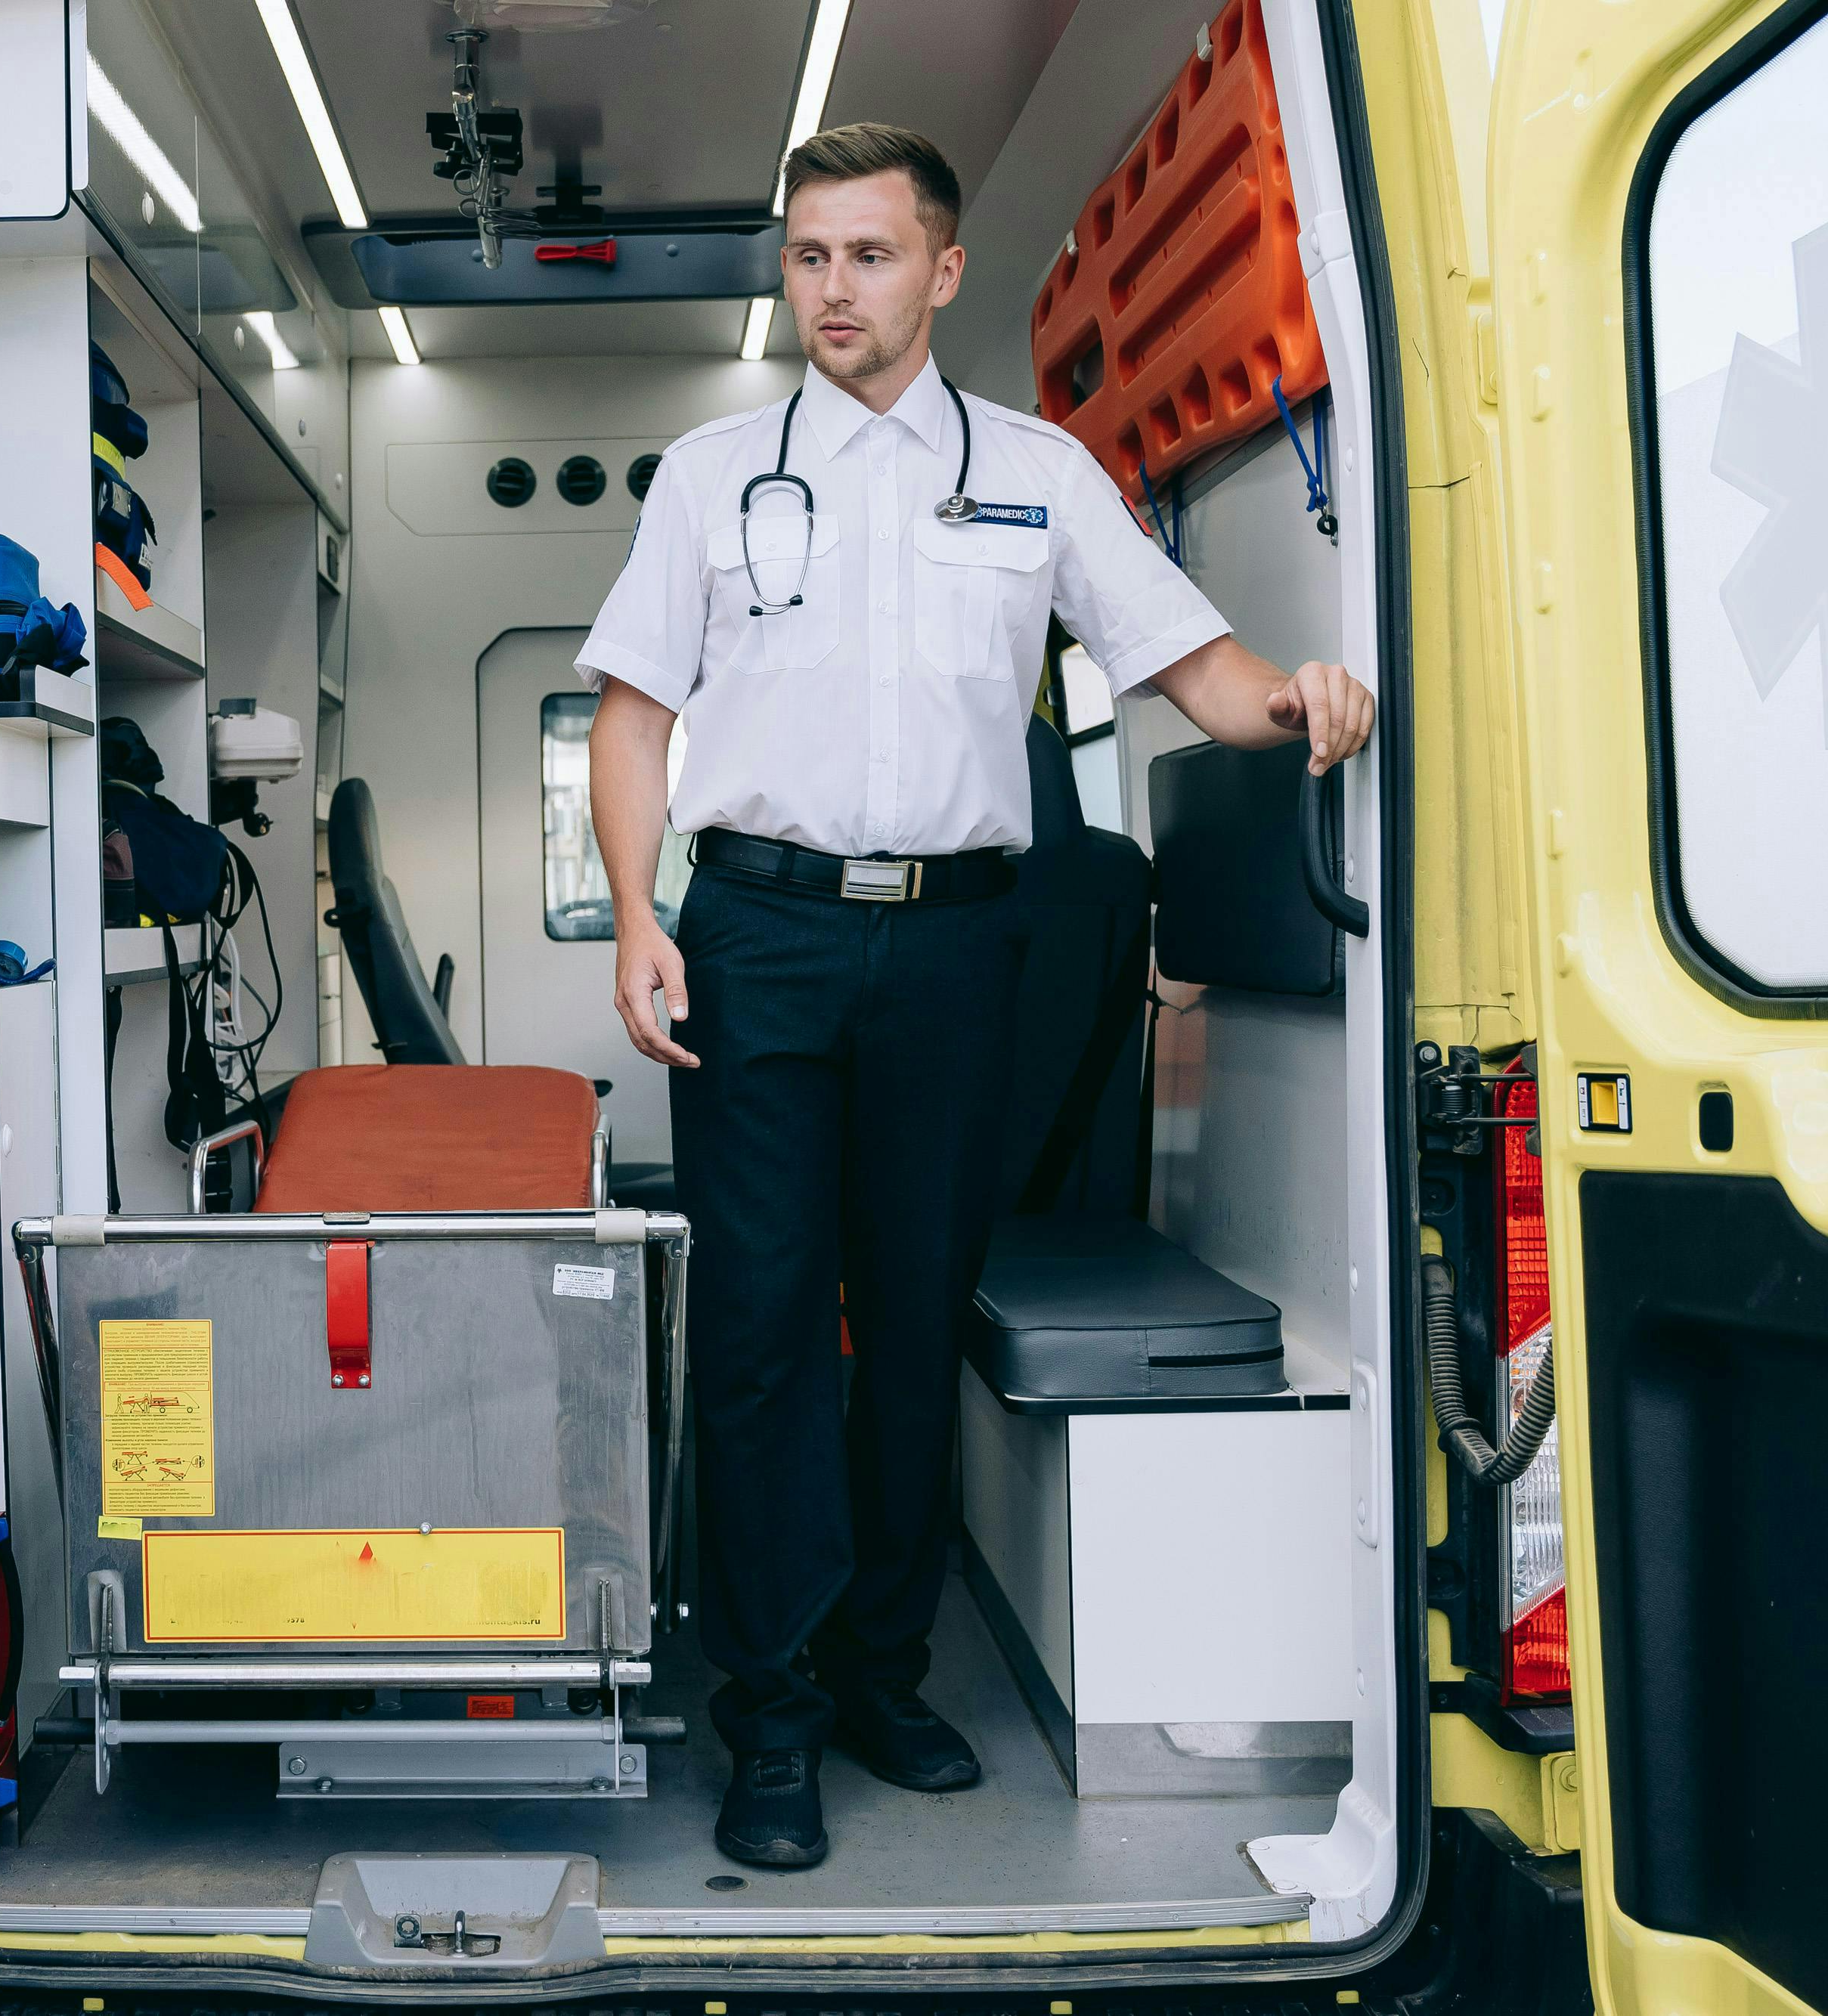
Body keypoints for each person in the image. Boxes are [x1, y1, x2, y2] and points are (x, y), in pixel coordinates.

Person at [578, 124, 1374, 1870]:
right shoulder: (712, 478)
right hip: (759, 936)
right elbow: (632, 716)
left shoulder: (1038, 473)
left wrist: (1301, 695)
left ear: (942, 271)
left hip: (953, 947)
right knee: (766, 1326)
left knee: (914, 1307)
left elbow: (1188, 661)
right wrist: (641, 914)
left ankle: (880, 1666)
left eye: (868, 255)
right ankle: (770, 1711)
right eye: (807, 256)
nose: (832, 288)